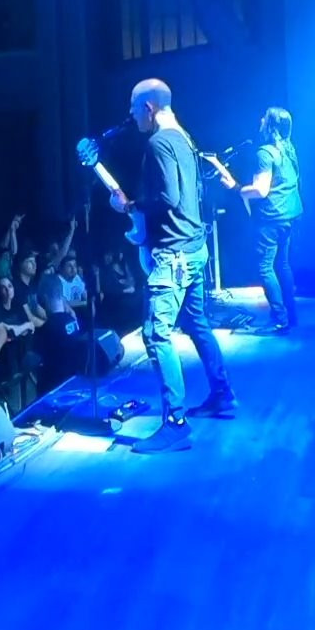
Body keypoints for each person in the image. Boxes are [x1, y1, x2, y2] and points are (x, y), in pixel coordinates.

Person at [112, 79, 237, 454]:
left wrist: (129, 206)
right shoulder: (184, 138)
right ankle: (222, 394)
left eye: (134, 108)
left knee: (156, 333)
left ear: (148, 108)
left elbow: (168, 197)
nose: (131, 115)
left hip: (174, 256)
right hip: (194, 249)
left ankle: (175, 424)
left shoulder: (158, 143)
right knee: (196, 323)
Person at [241, 106, 303, 334]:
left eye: (264, 119)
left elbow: (261, 190)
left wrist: (239, 190)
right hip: (289, 215)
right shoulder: (288, 150)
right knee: (283, 264)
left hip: (271, 218)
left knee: (264, 267)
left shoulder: (265, 153)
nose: (260, 120)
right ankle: (291, 315)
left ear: (271, 126)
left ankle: (279, 318)